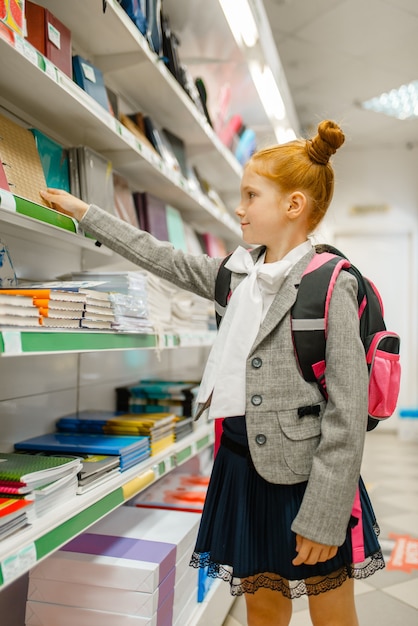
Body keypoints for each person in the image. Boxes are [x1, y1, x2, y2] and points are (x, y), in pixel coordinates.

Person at [40, 120, 384, 626]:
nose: (239, 208)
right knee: (262, 605)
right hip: (241, 467)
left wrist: (325, 513)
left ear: (293, 206)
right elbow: (166, 259)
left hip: (309, 477)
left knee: (330, 607)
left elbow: (347, 414)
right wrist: (89, 214)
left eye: (250, 195)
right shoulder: (236, 276)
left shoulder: (331, 285)